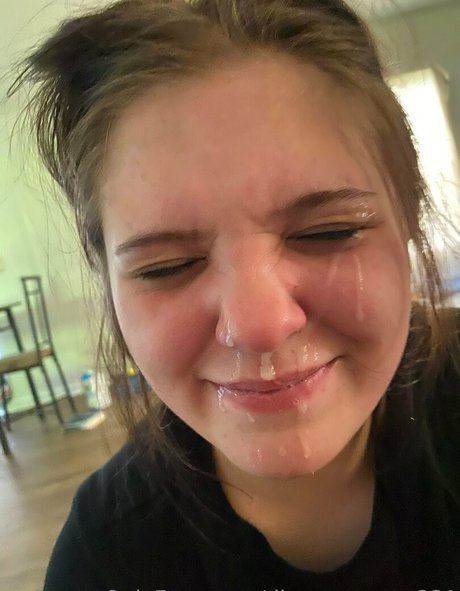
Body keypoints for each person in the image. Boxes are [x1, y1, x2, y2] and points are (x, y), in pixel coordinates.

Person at [9, 0, 460, 589]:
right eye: (167, 267)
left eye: (327, 232)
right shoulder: (105, 557)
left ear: (409, 219)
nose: (258, 324)